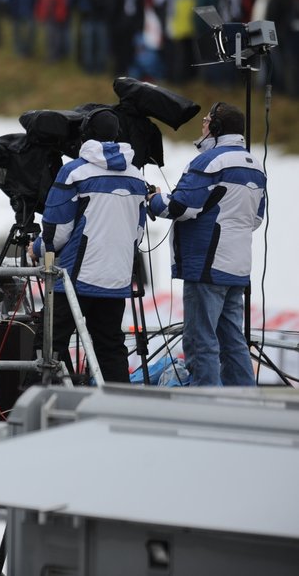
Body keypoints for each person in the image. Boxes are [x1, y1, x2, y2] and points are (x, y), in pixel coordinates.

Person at [147, 102, 266, 386]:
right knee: (232, 340)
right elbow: (255, 219)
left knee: (201, 340)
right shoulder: (255, 165)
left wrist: (152, 200)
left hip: (206, 265)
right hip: (237, 267)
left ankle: (204, 405)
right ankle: (244, 405)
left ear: (215, 127)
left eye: (205, 121)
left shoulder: (209, 161)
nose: (201, 126)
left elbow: (181, 207)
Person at [28, 108, 147, 383]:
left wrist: (36, 248)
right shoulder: (137, 176)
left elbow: (56, 232)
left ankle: (39, 412)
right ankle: (118, 414)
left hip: (76, 279)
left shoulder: (73, 172)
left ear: (85, 137)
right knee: (110, 348)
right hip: (116, 279)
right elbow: (138, 234)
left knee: (48, 346)